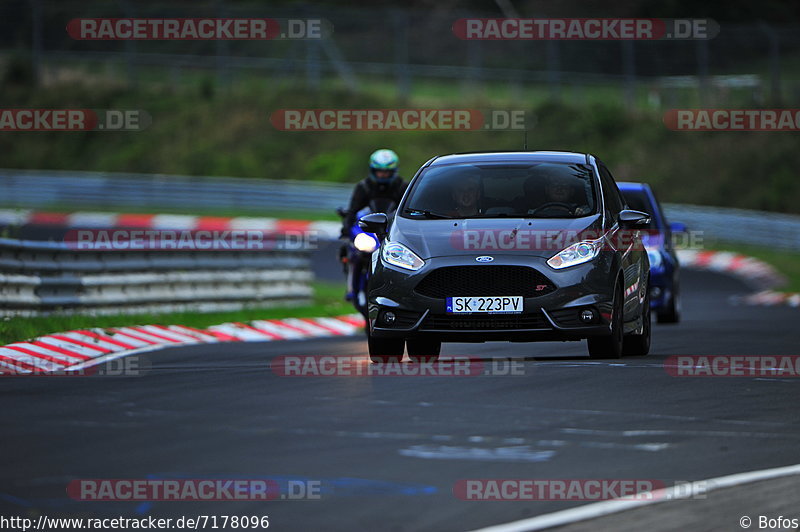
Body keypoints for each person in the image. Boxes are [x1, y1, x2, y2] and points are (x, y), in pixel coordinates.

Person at [340, 149, 407, 238]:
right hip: (367, 233)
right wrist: (346, 228)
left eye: (386, 172)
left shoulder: (402, 186)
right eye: (379, 171)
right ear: (373, 170)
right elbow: (353, 210)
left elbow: (407, 212)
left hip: (393, 231)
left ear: (393, 171)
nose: (382, 175)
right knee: (347, 246)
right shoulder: (363, 187)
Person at [515, 170, 592, 216]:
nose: (559, 188)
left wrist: (580, 215)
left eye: (564, 185)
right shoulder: (533, 213)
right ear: (547, 190)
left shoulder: (585, 211)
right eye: (555, 184)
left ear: (572, 191)